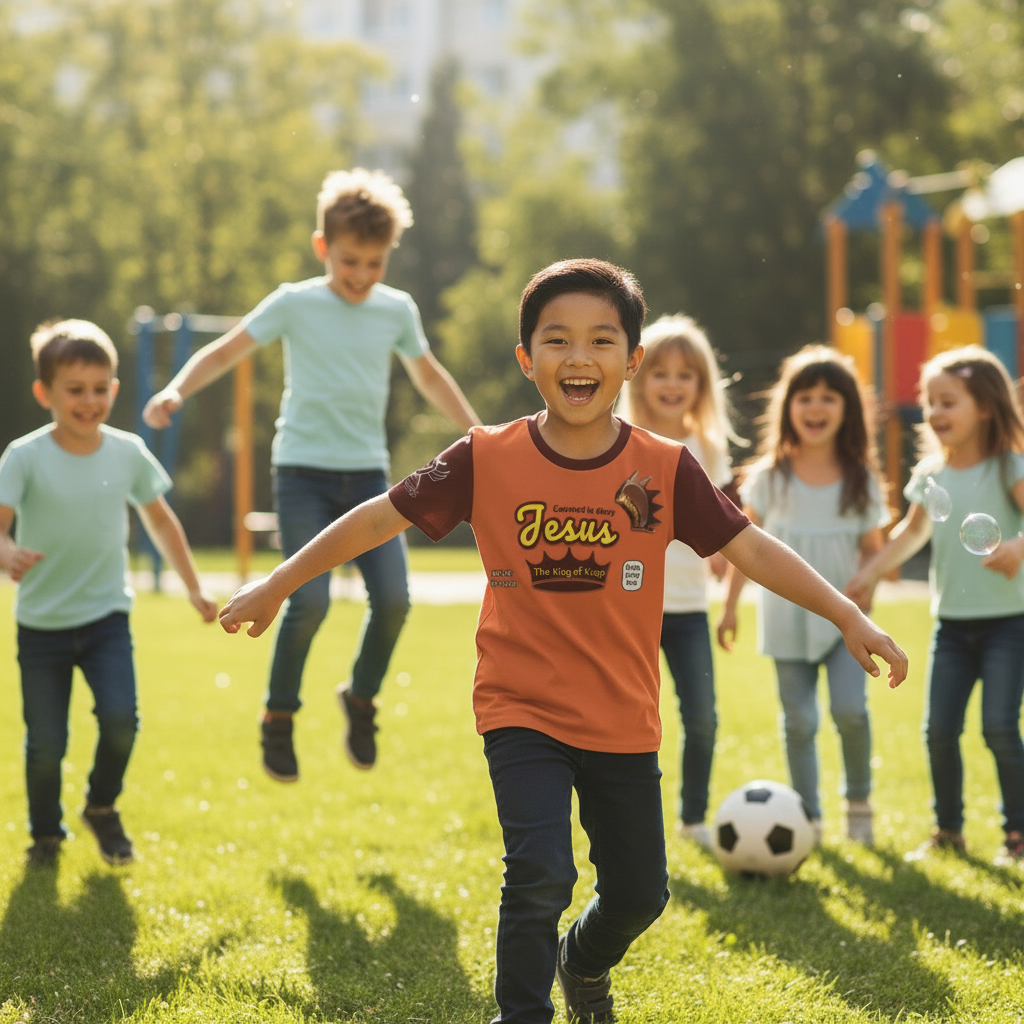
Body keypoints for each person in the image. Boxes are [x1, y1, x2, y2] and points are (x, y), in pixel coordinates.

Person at [218, 259, 907, 1024]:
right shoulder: (486, 456)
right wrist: (279, 582)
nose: (579, 358)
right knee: (539, 871)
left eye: (601, 340)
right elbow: (379, 517)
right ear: (527, 359)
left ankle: (581, 961)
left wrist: (849, 614)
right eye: (557, 341)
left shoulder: (664, 468)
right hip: (521, 709)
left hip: (622, 717)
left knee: (641, 894)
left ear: (631, 361)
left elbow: (749, 548)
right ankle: (521, 1013)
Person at [142, 167, 480, 782]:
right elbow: (227, 349)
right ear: (324, 247)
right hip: (301, 472)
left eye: (374, 264)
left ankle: (361, 698)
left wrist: (477, 432)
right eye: (350, 261)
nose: (360, 276)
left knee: (396, 600)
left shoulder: (395, 310)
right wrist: (175, 390)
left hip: (369, 476)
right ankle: (278, 716)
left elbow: (427, 374)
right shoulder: (295, 303)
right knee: (308, 598)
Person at [0, 319, 217, 868]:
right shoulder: (23, 457)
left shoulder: (127, 453)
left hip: (106, 618)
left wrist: (193, 586)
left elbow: (163, 524)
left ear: (115, 390)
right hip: (42, 623)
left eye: (100, 389)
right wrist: (5, 552)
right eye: (75, 390)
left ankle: (101, 806)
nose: (89, 400)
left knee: (122, 719)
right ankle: (45, 836)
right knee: (46, 743)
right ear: (45, 393)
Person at [847, 345, 1024, 866]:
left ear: (986, 407)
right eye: (930, 403)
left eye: (949, 401)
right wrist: (870, 572)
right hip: (952, 626)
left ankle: (1017, 835)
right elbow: (911, 533)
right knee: (939, 730)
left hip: (1008, 625)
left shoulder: (1008, 466)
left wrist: (1017, 547)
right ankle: (948, 830)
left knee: (998, 726)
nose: (935, 413)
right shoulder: (930, 474)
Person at [716, 346, 888, 846]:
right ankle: (807, 818)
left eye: (829, 398)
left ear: (848, 410)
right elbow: (747, 549)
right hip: (786, 619)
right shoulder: (769, 477)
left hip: (844, 626)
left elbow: (874, 551)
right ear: (788, 406)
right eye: (806, 397)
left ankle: (858, 804)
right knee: (799, 721)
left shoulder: (861, 481)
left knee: (851, 712)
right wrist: (729, 608)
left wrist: (867, 584)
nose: (816, 408)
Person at [617, 314, 745, 847]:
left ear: (702, 384)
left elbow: (731, 533)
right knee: (628, 725)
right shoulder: (619, 443)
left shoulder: (710, 451)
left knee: (703, 719)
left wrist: (729, 599)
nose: (672, 384)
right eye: (661, 373)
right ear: (639, 378)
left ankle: (692, 820)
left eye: (685, 374)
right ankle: (626, 822)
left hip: (690, 612)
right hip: (627, 611)